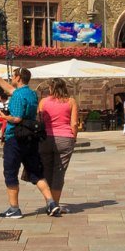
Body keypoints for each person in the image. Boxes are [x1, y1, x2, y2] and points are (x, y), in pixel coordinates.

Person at [0, 67, 57, 219]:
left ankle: (14, 208)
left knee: (10, 172)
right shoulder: (31, 93)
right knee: (35, 171)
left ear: (18, 78)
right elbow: (11, 90)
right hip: (30, 137)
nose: (11, 79)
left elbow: (17, 118)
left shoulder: (16, 97)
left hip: (15, 137)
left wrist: (3, 116)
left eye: (13, 76)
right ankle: (51, 202)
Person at [38, 78, 78, 216]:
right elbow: (74, 124)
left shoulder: (43, 102)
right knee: (59, 173)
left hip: (45, 139)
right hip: (65, 139)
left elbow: (40, 121)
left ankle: (50, 204)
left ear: (51, 88)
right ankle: (55, 205)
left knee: (47, 171)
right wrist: (74, 138)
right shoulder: (71, 101)